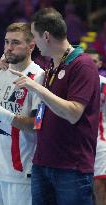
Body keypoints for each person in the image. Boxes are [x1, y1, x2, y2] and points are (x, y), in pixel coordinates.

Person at [9, 8, 100, 205]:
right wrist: (6, 62)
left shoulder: (82, 65)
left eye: (34, 37)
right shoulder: (52, 66)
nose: (34, 43)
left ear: (47, 36)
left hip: (71, 168)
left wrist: (36, 88)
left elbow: (74, 113)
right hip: (43, 164)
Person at [0, 22, 44, 205]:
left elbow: (38, 125)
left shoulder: (39, 77)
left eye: (15, 43)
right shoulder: (0, 70)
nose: (8, 48)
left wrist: (4, 115)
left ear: (31, 46)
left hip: (19, 170)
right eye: (6, 42)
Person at [87, 49, 106, 205]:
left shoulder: (104, 83)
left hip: (100, 140)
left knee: (99, 185)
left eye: (94, 61)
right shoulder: (73, 81)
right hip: (76, 141)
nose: (91, 65)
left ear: (99, 64)